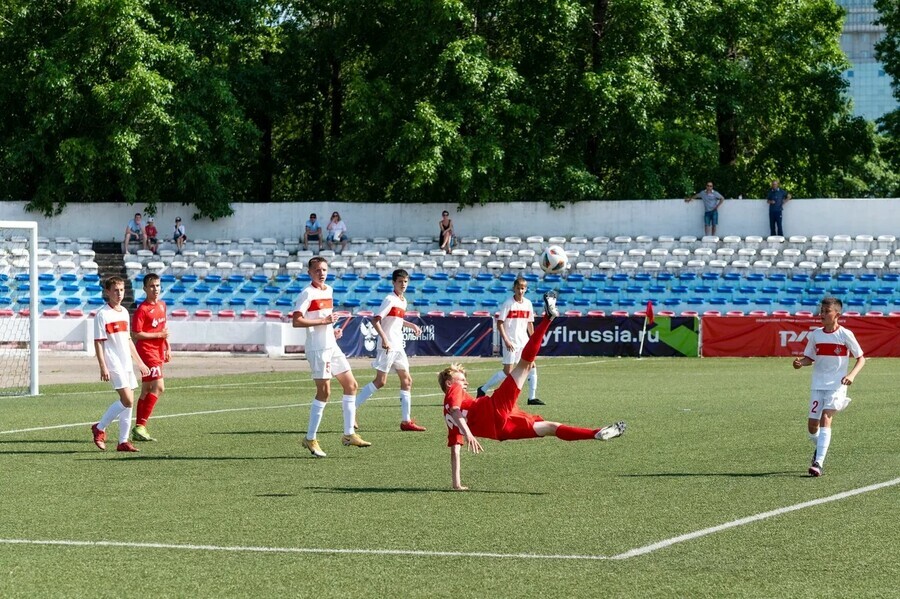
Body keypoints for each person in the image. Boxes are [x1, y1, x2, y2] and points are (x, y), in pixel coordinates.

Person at [439, 291, 627, 491]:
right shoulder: (454, 390)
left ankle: (596, 433)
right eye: (460, 377)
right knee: (526, 364)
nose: (464, 382)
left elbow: (455, 451)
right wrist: (468, 433)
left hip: (503, 430)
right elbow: (455, 410)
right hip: (496, 408)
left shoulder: (449, 421)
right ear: (449, 383)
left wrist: (456, 484)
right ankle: (548, 318)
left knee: (550, 427)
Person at [292, 256, 369, 457]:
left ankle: (349, 434)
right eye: (317, 270)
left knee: (351, 385)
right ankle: (310, 438)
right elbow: (296, 321)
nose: (321, 273)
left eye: (324, 269)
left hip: (330, 345)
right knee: (324, 392)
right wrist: (323, 322)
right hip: (318, 349)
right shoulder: (306, 293)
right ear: (310, 273)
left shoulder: (329, 290)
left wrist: (331, 330)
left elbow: (324, 320)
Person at [792, 297, 865, 477]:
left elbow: (861, 358)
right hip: (818, 384)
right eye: (821, 311)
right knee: (811, 427)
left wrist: (851, 376)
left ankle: (819, 463)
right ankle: (820, 447)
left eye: (826, 311)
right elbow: (810, 358)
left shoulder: (845, 334)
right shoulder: (816, 334)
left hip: (837, 385)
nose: (822, 314)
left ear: (837, 314)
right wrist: (800, 363)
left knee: (826, 416)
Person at [354, 269, 425, 431]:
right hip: (388, 346)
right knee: (380, 382)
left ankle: (406, 421)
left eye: (405, 282)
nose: (403, 284)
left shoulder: (403, 300)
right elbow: (375, 320)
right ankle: (352, 408)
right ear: (393, 283)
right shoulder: (389, 299)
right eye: (400, 282)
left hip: (398, 346)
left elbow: (397, 321)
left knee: (407, 381)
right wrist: (385, 339)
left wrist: (411, 324)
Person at [91, 276, 151, 453]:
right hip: (113, 362)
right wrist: (103, 366)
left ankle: (123, 441)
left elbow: (128, 340)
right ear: (107, 292)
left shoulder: (124, 312)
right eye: (115, 290)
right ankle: (99, 428)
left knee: (128, 403)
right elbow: (99, 342)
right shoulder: (102, 315)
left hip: (126, 363)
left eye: (122, 290)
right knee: (127, 400)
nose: (119, 293)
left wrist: (139, 362)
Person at [476, 277, 544, 406]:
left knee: (532, 366)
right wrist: (506, 340)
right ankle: (483, 389)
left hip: (524, 341)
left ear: (526, 289)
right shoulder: (508, 303)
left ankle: (532, 398)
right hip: (511, 342)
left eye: (522, 288)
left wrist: (533, 340)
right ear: (514, 288)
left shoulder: (528, 303)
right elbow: (500, 323)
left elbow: (530, 323)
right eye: (518, 288)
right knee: (508, 371)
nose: (520, 291)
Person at [130, 273, 171, 442]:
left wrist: (167, 347)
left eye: (158, 286)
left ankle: (139, 428)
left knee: (146, 389)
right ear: (145, 288)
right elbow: (136, 334)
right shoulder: (142, 309)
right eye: (152, 286)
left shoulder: (162, 305)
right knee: (159, 387)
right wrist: (159, 336)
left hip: (158, 351)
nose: (156, 289)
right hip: (147, 352)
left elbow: (163, 329)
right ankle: (141, 426)